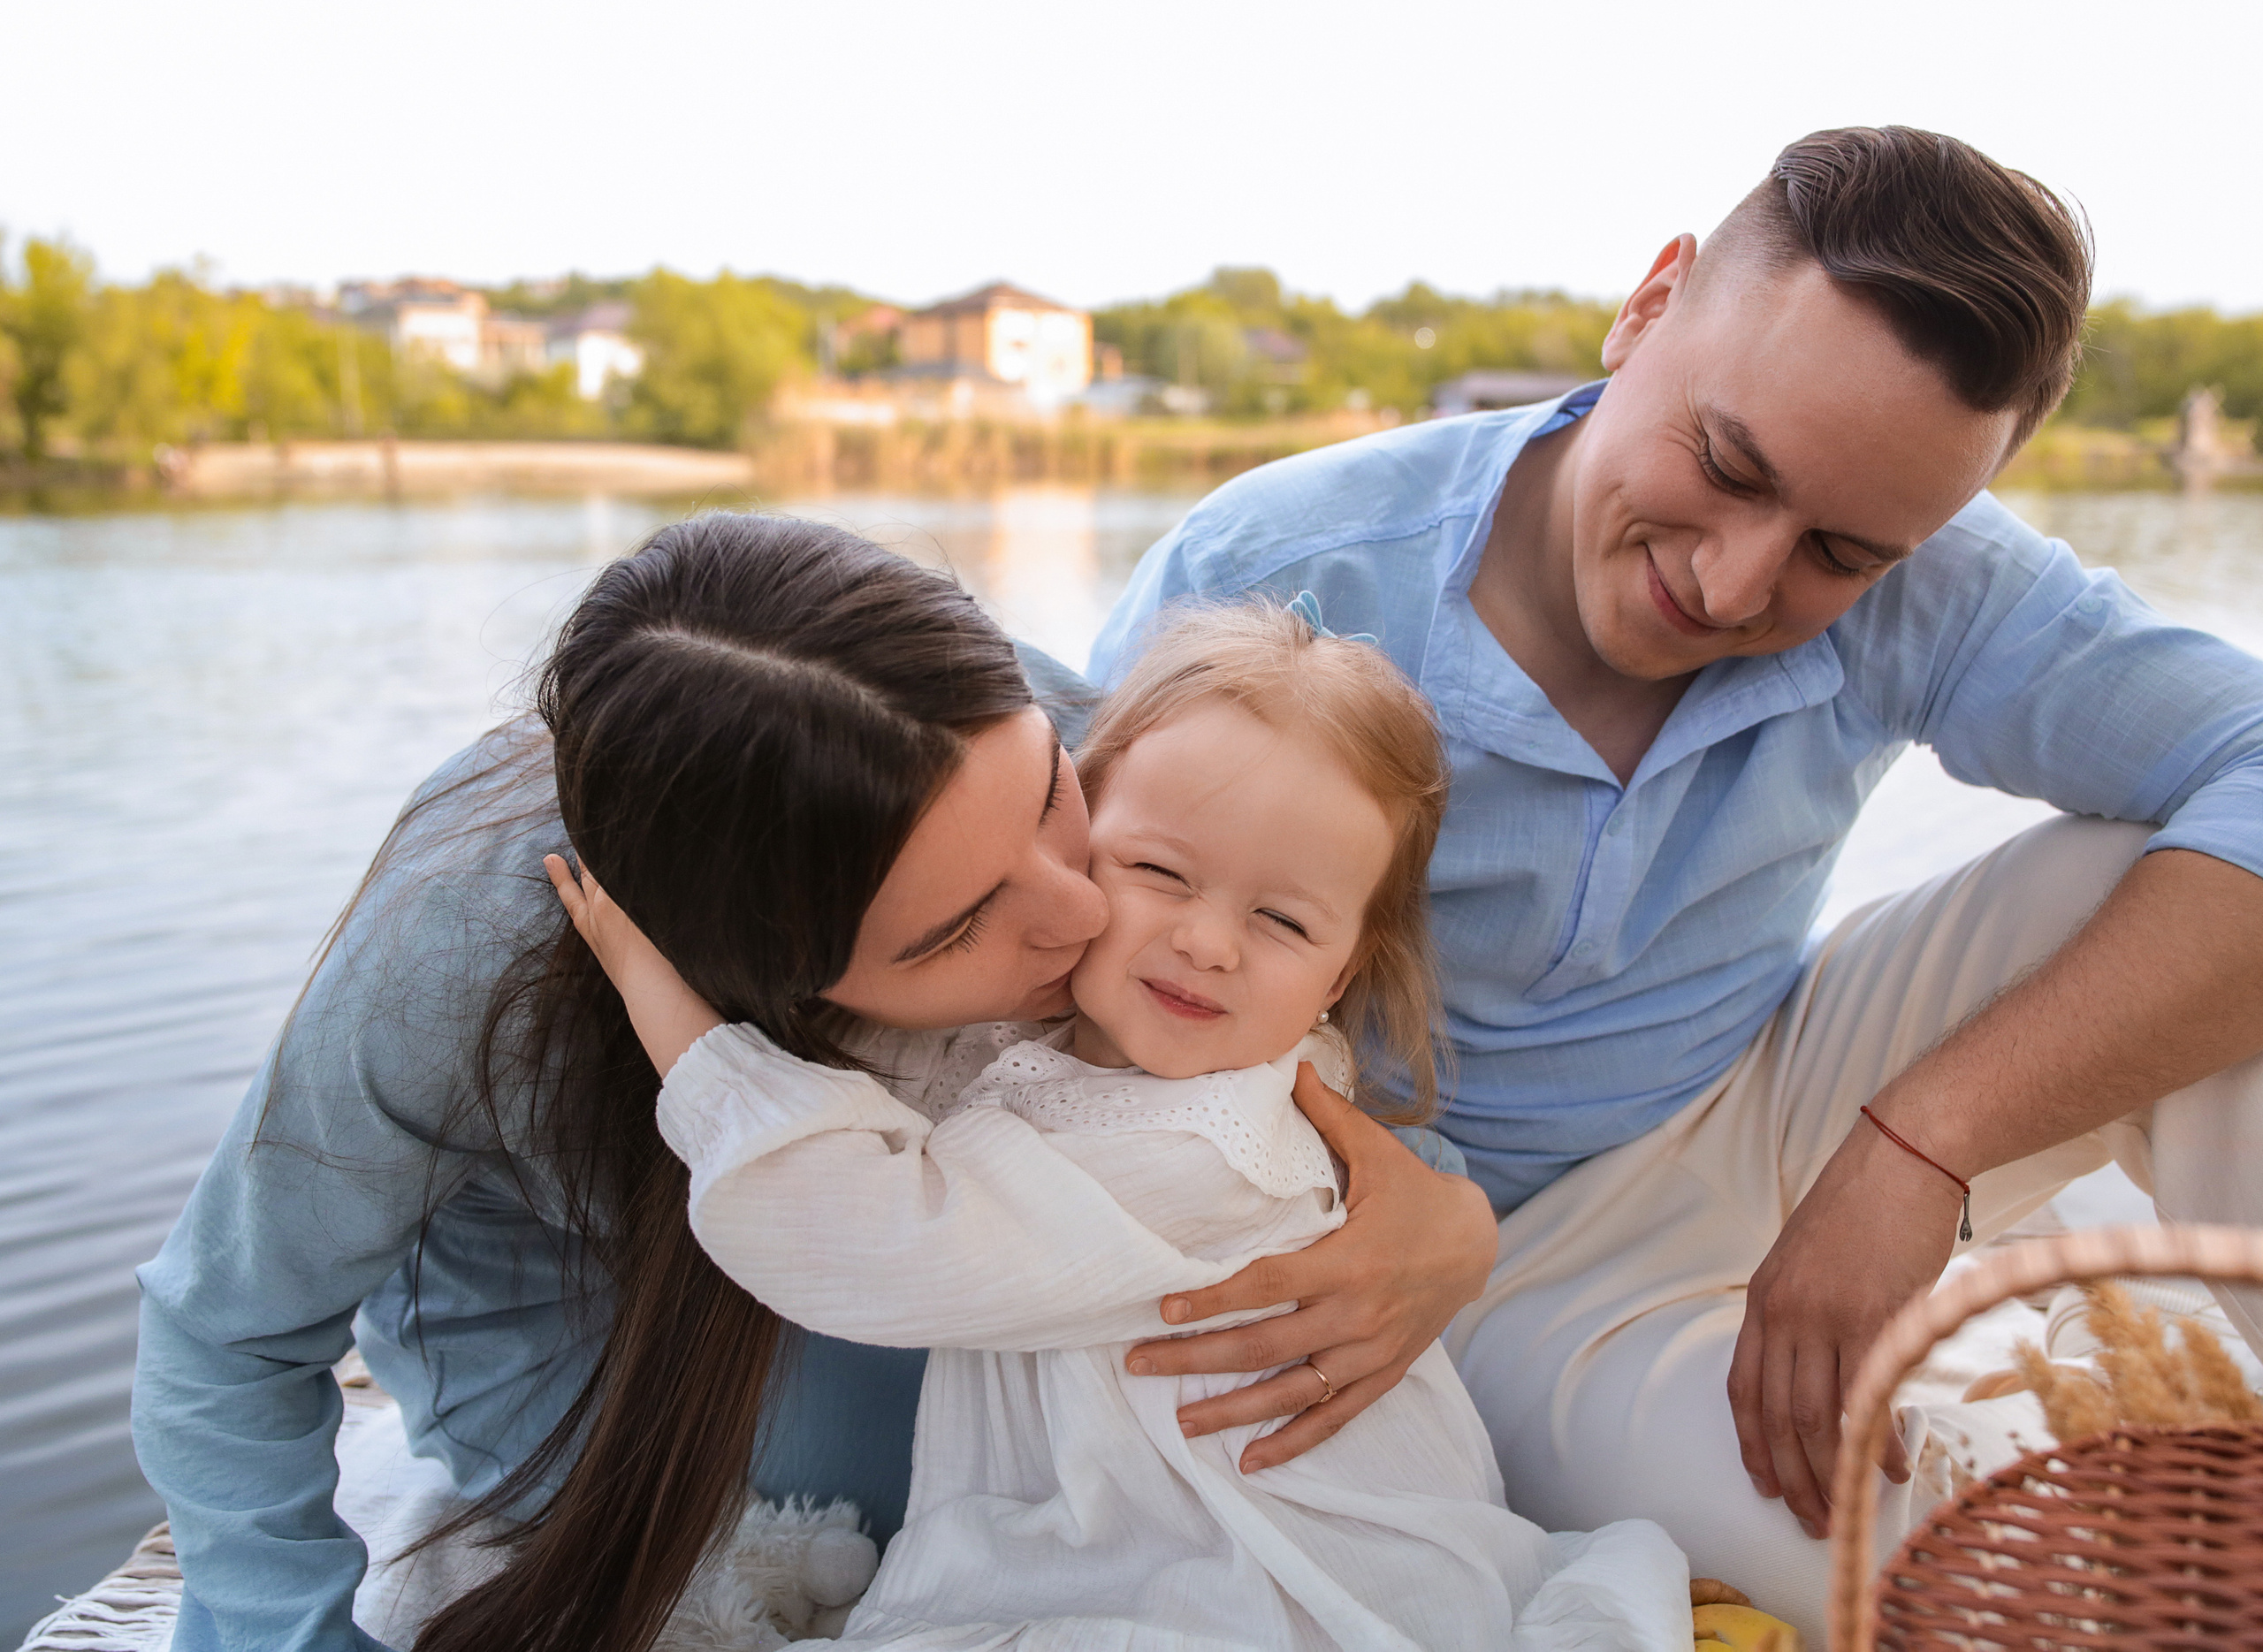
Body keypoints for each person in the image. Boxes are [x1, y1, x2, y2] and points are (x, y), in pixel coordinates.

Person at [1086, 126, 2263, 1635]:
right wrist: (1411, 1205)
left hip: (1784, 1095)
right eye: (1724, 465)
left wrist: (1923, 1141)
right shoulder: (1274, 569)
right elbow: (1070, 974)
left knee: (2195, 872)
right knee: (1971, 1572)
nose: (1732, 584)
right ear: (1648, 306)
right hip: (1490, 1261)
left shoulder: (1934, 572)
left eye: (1838, 551)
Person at [130, 518, 1497, 1652]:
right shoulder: (460, 951)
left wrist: (1446, 1226)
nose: (1084, 912)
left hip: (926, 1243)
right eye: (958, 928)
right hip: (615, 1340)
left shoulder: (1033, 737)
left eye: (1050, 800)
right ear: (767, 975)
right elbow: (224, 1338)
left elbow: (1277, 974)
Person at [552, 598, 1693, 1649]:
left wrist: (666, 1001)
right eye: (1158, 869)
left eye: (1283, 920)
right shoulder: (1069, 1051)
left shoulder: (1202, 1146)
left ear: (1341, 977)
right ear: (1078, 831)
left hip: (1270, 1571)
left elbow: (872, 1229)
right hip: (1166, 1540)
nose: (1208, 941)